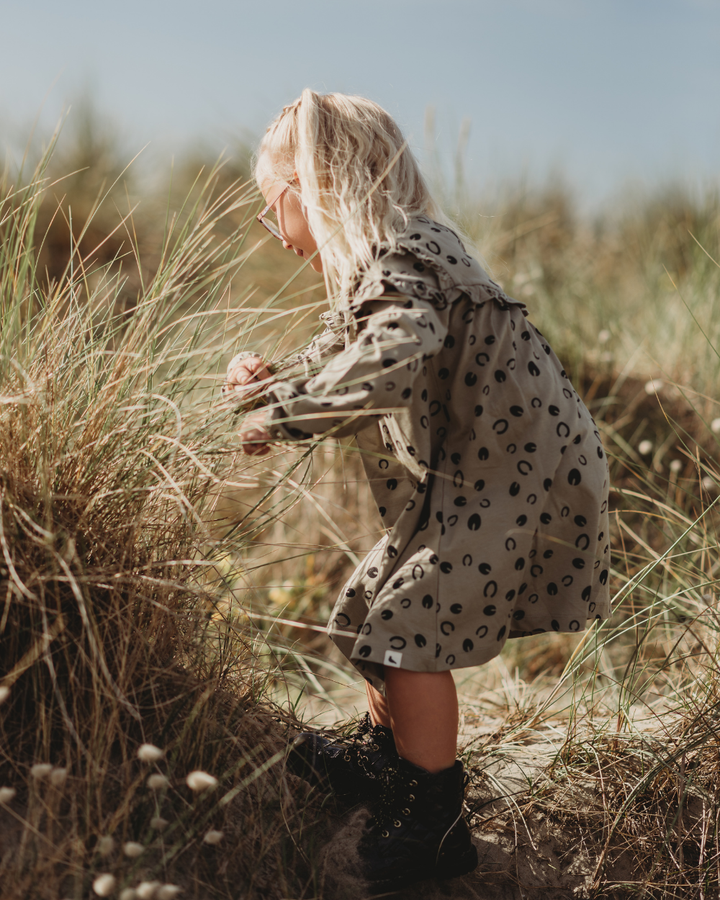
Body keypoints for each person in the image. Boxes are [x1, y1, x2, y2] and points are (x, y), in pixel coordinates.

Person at [223, 90, 611, 891]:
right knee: (373, 602)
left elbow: (391, 357)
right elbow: (343, 351)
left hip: (514, 474)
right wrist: (266, 390)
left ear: (315, 189)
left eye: (273, 211)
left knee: (408, 625)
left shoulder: (410, 257)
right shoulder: (390, 265)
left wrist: (286, 416)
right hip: (481, 473)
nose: (277, 233)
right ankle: (385, 762)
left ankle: (435, 819)